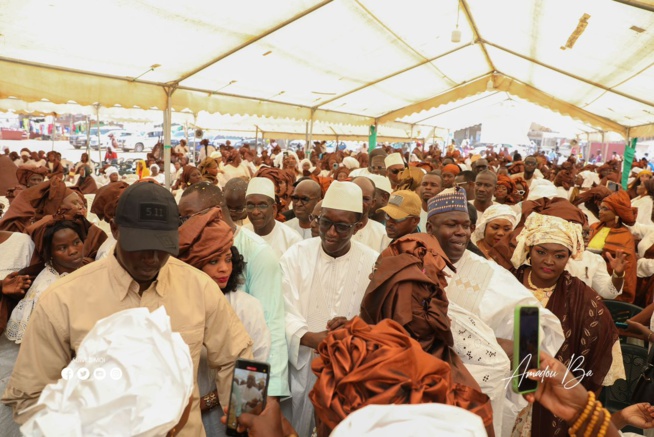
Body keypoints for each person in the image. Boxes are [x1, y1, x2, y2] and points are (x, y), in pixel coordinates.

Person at [1, 182, 254, 436]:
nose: (152, 258)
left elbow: (238, 356)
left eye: (163, 246)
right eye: (141, 245)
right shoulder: (62, 300)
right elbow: (28, 397)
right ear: (114, 229)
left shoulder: (198, 288)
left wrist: (244, 417)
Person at [425, 188, 565, 433]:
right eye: (451, 224)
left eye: (466, 225)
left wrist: (519, 379)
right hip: (419, 388)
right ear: (429, 228)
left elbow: (534, 319)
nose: (461, 232)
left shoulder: (490, 273)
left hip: (475, 399)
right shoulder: (413, 265)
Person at [281, 181, 379, 437]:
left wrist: (354, 328)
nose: (331, 233)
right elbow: (280, 307)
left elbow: (378, 316)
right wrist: (309, 337)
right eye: (325, 223)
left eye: (342, 226)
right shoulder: (295, 255)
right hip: (302, 366)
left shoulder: (373, 262)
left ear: (357, 226)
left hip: (351, 369)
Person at [510, 213, 622, 437]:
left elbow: (604, 336)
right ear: (529, 250)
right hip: (502, 387)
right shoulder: (507, 283)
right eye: (541, 252)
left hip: (552, 394)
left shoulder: (580, 296)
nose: (549, 261)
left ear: (569, 257)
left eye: (559, 255)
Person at [178, 182, 290, 402]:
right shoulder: (186, 251)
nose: (185, 225)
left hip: (239, 391)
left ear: (216, 212)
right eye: (181, 218)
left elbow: (269, 330)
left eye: (190, 217)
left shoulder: (258, 253)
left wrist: (265, 396)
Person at [178, 208, 270, 436]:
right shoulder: (177, 307)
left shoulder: (247, 306)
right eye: (212, 261)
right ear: (192, 266)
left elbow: (256, 364)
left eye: (228, 259)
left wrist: (210, 402)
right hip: (182, 420)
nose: (223, 268)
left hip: (232, 417)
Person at [587, 190, 638, 303]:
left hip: (610, 279)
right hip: (589, 275)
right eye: (601, 208)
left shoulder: (625, 235)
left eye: (605, 209)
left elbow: (626, 264)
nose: (600, 212)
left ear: (617, 214)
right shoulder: (595, 227)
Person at [243, 178, 302, 258]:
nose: (255, 212)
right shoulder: (241, 236)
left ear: (274, 209)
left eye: (262, 206)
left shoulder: (291, 239)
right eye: (250, 206)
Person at [349, 177, 391, 252]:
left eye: (365, 199)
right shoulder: (334, 230)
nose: (359, 202)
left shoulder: (382, 234)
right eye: (355, 196)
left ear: (373, 203)